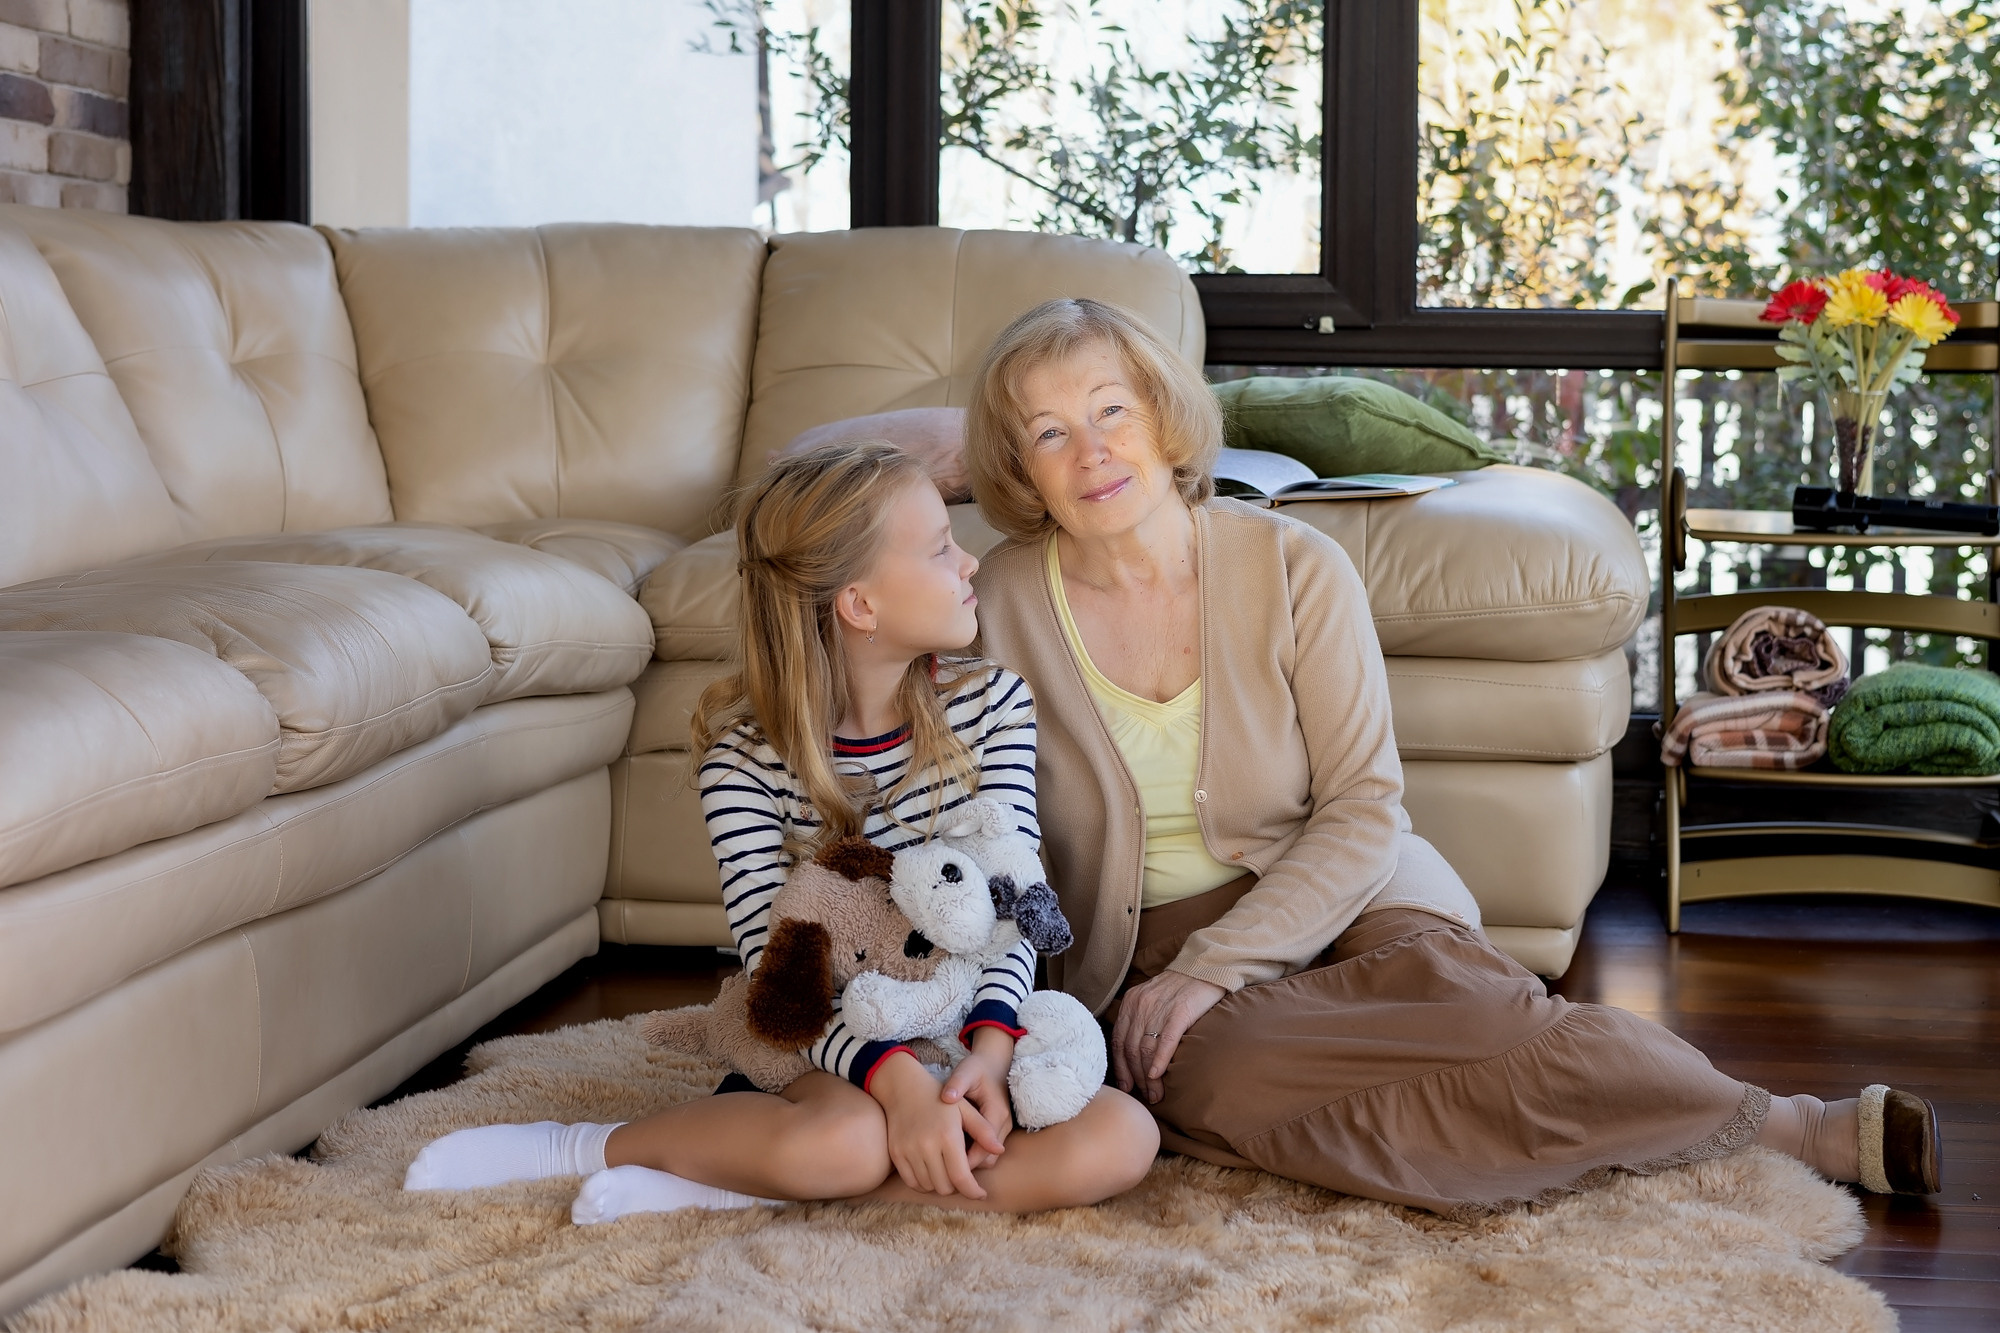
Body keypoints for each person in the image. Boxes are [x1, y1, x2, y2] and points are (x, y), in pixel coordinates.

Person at [963, 297, 1941, 1215]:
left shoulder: (1293, 564)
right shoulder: (1000, 601)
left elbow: (1359, 809)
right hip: (1150, 941)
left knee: (1480, 1014)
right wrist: (1163, 978)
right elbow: (981, 823)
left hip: (1333, 887)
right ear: (1016, 465)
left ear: (1163, 418)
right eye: (1049, 432)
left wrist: (1218, 966)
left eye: (1109, 411)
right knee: (1213, 1071)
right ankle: (1557, 1117)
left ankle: (1788, 1124)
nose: (1090, 452)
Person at [403, 441, 1158, 1222]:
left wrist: (993, 1055)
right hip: (813, 1032)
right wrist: (895, 1081)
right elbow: (778, 976)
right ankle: (590, 1144)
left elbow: (1013, 904)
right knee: (850, 1141)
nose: (970, 564)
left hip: (965, 1016)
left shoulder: (996, 704)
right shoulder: (743, 759)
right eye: (940, 548)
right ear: (860, 604)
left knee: (1121, 1137)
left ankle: (728, 1181)